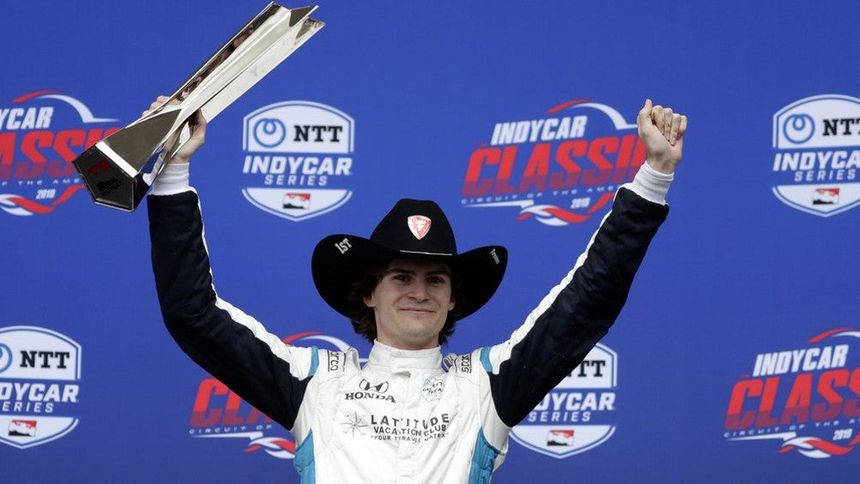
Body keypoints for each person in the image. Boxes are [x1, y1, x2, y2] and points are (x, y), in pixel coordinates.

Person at [146, 96, 687, 483]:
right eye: (401, 277)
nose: (419, 292)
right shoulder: (315, 382)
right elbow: (192, 314)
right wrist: (172, 172)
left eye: (436, 280)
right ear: (368, 293)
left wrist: (653, 177)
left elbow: (585, 305)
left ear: (454, 300)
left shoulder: (486, 385)